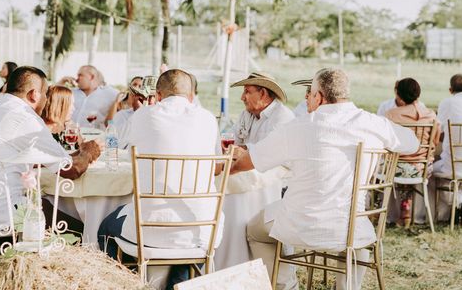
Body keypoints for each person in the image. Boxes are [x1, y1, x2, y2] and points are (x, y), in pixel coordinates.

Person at [231, 68, 419, 290]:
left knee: (255, 230)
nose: (307, 99)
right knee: (357, 241)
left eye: (309, 94)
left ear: (319, 97)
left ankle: (286, 286)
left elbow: (249, 161)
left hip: (302, 224)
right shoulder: (373, 123)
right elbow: (412, 143)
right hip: (354, 225)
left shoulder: (298, 127)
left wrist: (224, 168)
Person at [98, 69, 220, 290]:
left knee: (105, 227)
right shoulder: (208, 119)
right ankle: (176, 285)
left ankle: (128, 283)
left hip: (149, 231)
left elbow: (125, 145)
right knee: (187, 223)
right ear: (190, 95)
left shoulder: (144, 115)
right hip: (202, 231)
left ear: (158, 95)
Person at [0, 66, 102, 236]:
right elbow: (70, 170)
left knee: (43, 202)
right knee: (83, 229)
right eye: (46, 93)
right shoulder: (25, 117)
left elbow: (42, 157)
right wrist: (88, 152)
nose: (47, 99)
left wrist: (79, 153)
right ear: (34, 94)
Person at [215, 72, 295, 270]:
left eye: (247, 92)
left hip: (280, 184)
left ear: (264, 94)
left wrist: (241, 152)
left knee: (237, 189)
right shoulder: (246, 114)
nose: (242, 97)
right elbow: (234, 143)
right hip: (249, 171)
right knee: (233, 188)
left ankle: (244, 263)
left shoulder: (282, 117)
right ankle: (227, 260)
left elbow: (269, 156)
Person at [385, 77, 440, 226]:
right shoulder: (431, 115)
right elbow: (434, 143)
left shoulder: (391, 114)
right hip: (422, 169)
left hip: (396, 168)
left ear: (398, 95)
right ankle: (407, 210)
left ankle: (383, 213)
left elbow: (386, 143)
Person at [432, 74, 462, 222]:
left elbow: (439, 129)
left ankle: (443, 214)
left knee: (430, 169)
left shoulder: (447, 102)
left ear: (450, 89)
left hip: (452, 166)